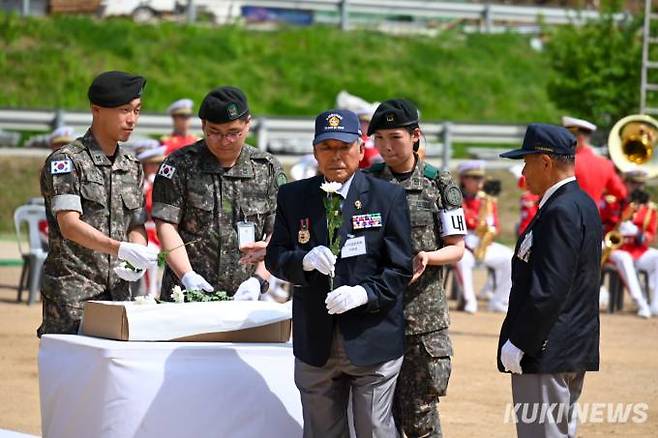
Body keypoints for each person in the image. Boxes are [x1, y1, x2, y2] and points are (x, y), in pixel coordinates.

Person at [265, 109, 413, 437]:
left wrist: (364, 293)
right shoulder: (293, 197)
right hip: (315, 339)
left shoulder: (387, 197)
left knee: (375, 429)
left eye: (344, 147)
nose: (336, 156)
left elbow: (400, 269)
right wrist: (303, 261)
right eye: (327, 147)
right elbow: (275, 257)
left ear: (361, 150)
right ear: (315, 151)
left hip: (372, 336)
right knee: (321, 431)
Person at [366, 98, 466, 437]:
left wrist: (428, 256)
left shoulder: (438, 184)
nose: (386, 147)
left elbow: (457, 249)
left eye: (394, 137)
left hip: (423, 321)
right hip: (375, 316)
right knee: (375, 416)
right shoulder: (367, 183)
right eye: (379, 139)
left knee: (420, 416)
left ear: (415, 136)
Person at [498, 123, 601, 438]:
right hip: (569, 345)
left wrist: (521, 343)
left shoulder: (560, 210)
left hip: (546, 350)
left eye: (527, 162)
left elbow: (550, 288)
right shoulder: (581, 203)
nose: (524, 171)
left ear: (545, 161)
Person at [39, 71, 158, 336]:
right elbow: (69, 225)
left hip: (118, 293)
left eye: (137, 111)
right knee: (71, 375)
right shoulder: (67, 162)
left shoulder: (131, 166)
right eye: (124, 110)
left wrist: (135, 257)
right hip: (73, 294)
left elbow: (136, 223)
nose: (132, 120)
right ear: (97, 110)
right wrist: (121, 249)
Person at [152, 86, 287, 300]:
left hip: (245, 297)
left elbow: (280, 231)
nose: (225, 141)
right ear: (203, 126)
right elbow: (166, 225)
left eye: (234, 133)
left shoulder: (267, 168)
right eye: (215, 132)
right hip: (186, 294)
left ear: (248, 124)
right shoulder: (180, 165)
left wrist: (258, 280)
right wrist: (186, 276)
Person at [455, 160, 513, 313]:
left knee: (510, 258)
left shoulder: (487, 200)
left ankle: (499, 300)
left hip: (483, 243)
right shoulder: (456, 198)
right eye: (473, 178)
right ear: (463, 179)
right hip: (463, 242)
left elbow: (496, 225)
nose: (479, 181)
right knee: (462, 260)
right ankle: (469, 300)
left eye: (480, 178)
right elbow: (464, 220)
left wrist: (490, 230)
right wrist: (477, 223)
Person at [600, 170, 657, 318]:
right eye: (633, 183)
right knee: (624, 258)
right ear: (625, 183)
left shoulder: (649, 209)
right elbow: (600, 223)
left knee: (656, 256)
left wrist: (637, 233)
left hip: (637, 250)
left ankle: (655, 304)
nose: (637, 187)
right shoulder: (612, 203)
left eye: (640, 184)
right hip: (616, 250)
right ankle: (640, 303)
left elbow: (649, 236)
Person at [563, 116, 627, 205]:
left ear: (580, 138)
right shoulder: (606, 164)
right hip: (594, 216)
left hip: (569, 215)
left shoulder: (568, 162)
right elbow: (621, 193)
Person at [136, 140, 167, 297]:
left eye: (158, 164)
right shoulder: (141, 185)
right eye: (152, 164)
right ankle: (151, 293)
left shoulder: (160, 183)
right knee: (151, 258)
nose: (156, 167)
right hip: (146, 232)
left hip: (162, 232)